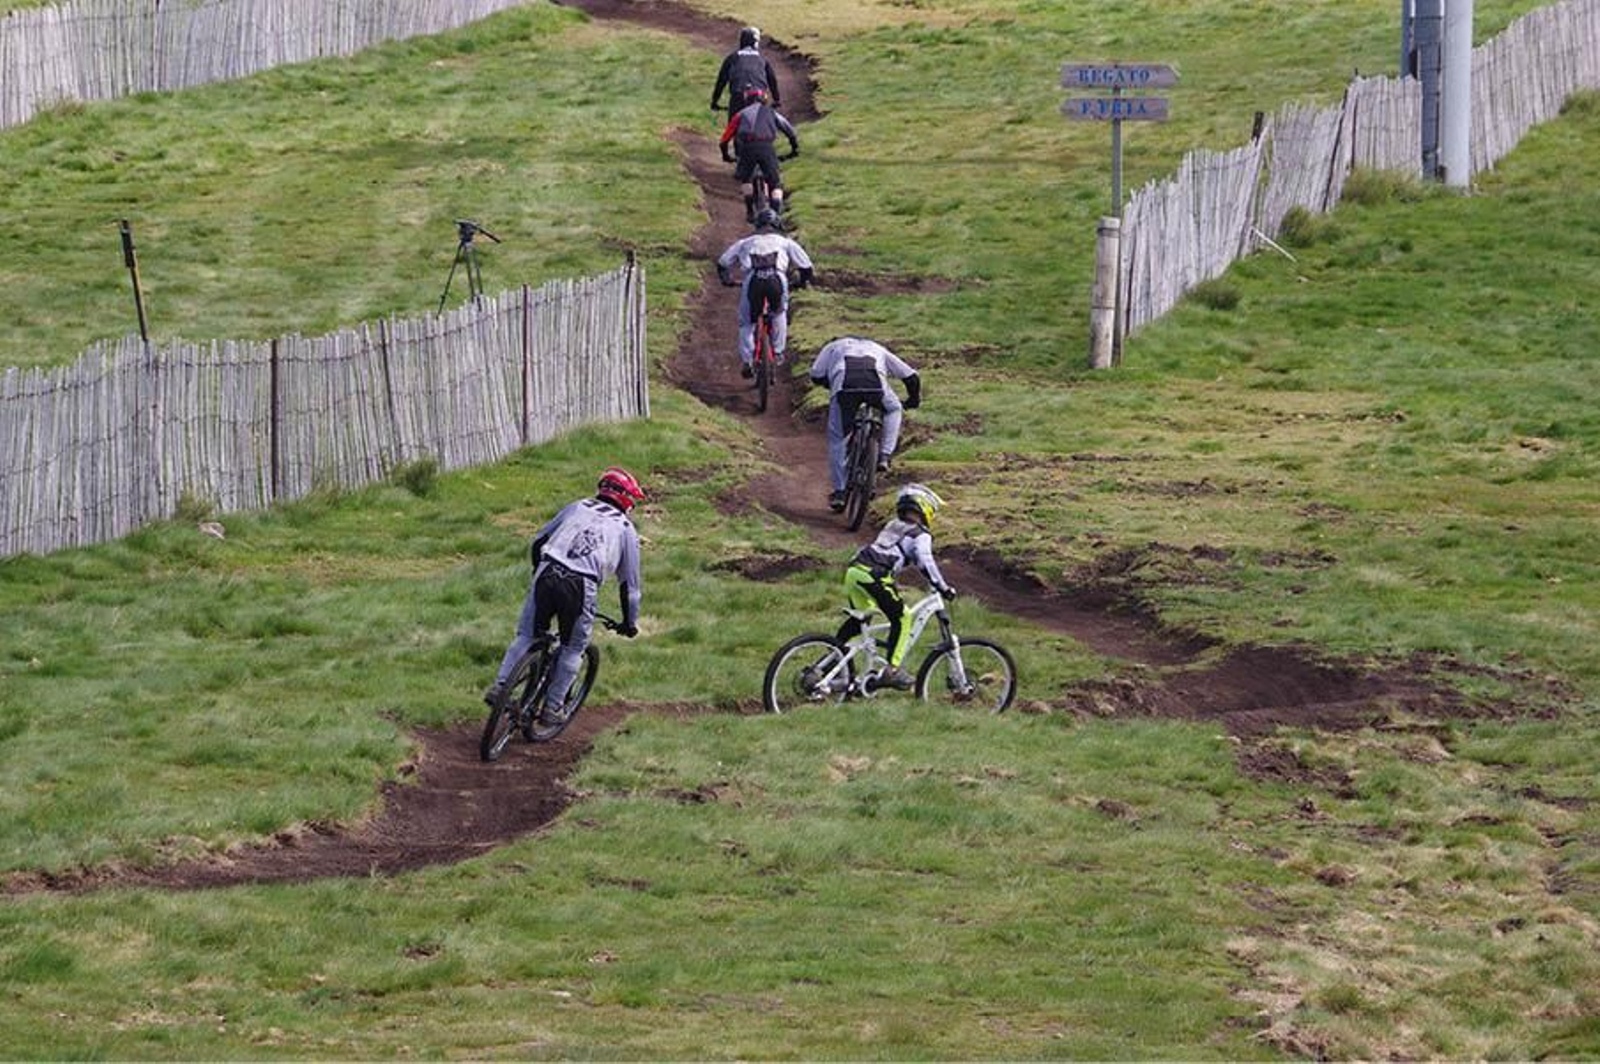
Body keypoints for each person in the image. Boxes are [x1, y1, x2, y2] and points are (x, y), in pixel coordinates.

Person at [485, 467, 644, 723]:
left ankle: (501, 686)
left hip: (548, 571)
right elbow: (630, 587)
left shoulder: (578, 506)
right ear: (626, 499)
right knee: (573, 648)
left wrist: (539, 572)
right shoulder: (625, 529)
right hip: (581, 584)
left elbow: (539, 541)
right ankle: (553, 708)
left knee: (527, 634)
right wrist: (629, 622)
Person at [838, 484, 955, 690]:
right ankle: (891, 671)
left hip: (854, 571)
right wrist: (942, 586)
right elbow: (924, 559)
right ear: (924, 508)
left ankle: (830, 658)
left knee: (859, 621)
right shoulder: (920, 533)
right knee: (902, 617)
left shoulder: (894, 524)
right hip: (875, 575)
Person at [807, 337, 921, 513]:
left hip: (844, 387)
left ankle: (839, 492)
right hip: (875, 385)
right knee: (893, 409)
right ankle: (884, 455)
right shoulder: (877, 347)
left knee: (838, 439)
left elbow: (816, 375)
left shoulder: (832, 347)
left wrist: (831, 383)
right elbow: (911, 377)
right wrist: (914, 400)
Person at [717, 208, 814, 379]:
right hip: (777, 277)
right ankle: (777, 352)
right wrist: (800, 282)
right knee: (779, 313)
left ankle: (747, 360)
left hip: (752, 279)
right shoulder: (785, 241)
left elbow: (723, 262)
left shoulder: (746, 242)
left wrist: (727, 280)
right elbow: (806, 266)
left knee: (746, 321)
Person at [719, 88, 800, 221]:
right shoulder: (772, 113)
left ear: (747, 101)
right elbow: (789, 131)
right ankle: (776, 216)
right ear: (765, 100)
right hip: (767, 148)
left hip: (747, 148)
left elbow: (724, 139)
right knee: (775, 184)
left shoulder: (740, 114)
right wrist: (794, 149)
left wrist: (725, 155)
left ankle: (750, 211)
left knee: (746, 179)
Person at [710, 26, 780, 114]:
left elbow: (721, 81)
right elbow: (772, 79)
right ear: (756, 43)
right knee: (764, 122)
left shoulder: (732, 58)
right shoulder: (762, 59)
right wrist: (776, 99)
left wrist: (715, 101)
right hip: (760, 96)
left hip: (738, 96)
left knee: (734, 125)